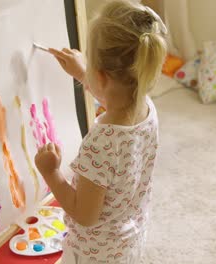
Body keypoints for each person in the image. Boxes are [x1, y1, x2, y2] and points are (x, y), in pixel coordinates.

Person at [35, 0, 167, 263]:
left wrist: (50, 172)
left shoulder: (101, 142)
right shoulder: (146, 108)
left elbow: (84, 215)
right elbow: (116, 99)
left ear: (103, 76)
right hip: (128, 238)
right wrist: (85, 74)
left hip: (94, 254)